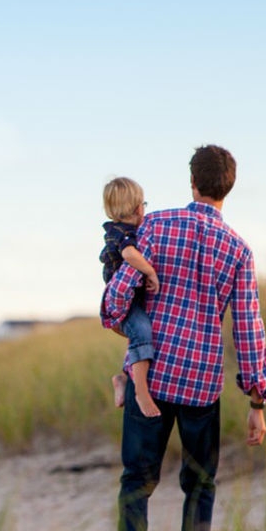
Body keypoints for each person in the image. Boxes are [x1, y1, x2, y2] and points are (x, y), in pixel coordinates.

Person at [102, 145, 266, 531]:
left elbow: (116, 297)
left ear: (192, 182)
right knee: (200, 486)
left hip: (152, 376)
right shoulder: (239, 250)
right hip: (201, 385)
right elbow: (248, 328)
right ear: (228, 188)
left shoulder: (155, 225)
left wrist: (119, 318)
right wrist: (257, 402)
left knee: (136, 480)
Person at [99, 177, 161, 418]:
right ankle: (141, 392)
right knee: (142, 331)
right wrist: (150, 271)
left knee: (140, 335)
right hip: (122, 302)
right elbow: (129, 255)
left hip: (131, 298)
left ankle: (123, 378)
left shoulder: (123, 230)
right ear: (138, 208)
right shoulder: (122, 233)